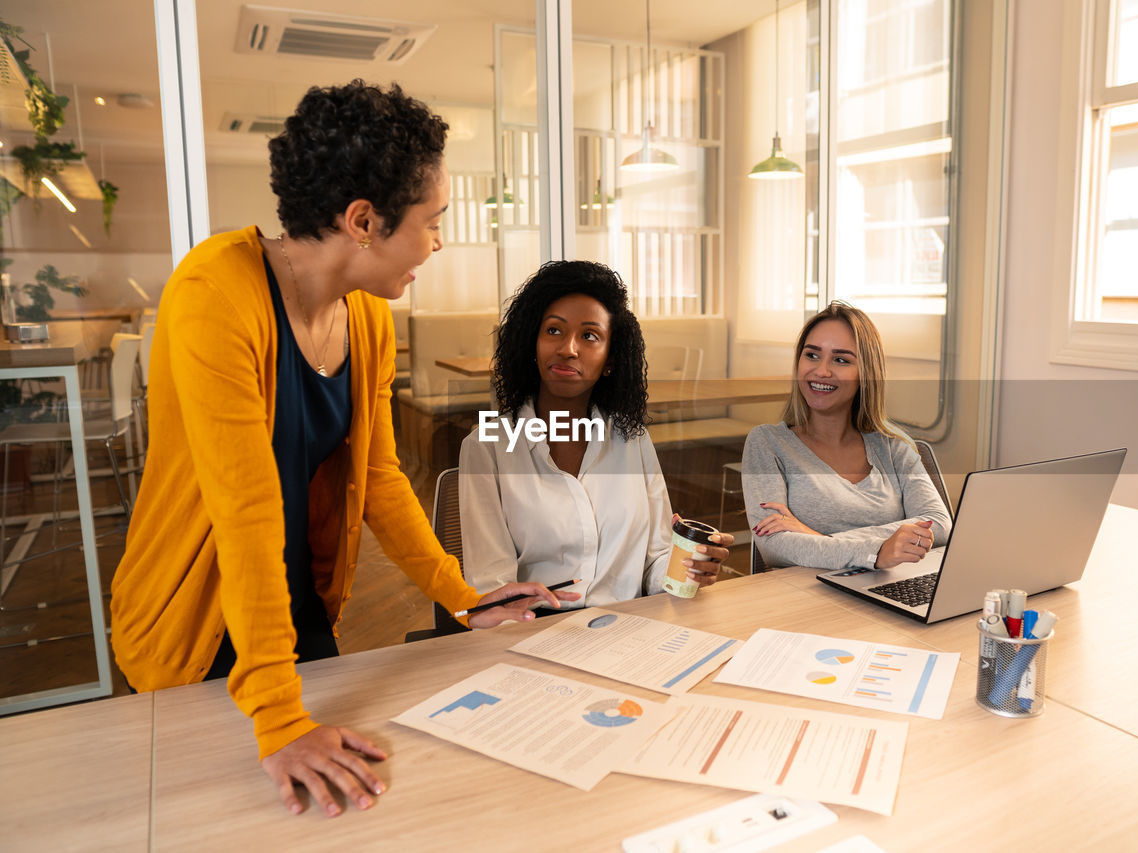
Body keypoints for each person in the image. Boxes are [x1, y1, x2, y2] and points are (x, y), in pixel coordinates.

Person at [109, 81, 576, 818]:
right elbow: (245, 505)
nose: (440, 240)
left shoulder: (366, 317)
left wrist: (462, 596)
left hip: (291, 609)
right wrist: (278, 715)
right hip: (193, 625)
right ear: (363, 221)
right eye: (433, 221)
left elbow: (380, 476)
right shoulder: (212, 294)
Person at [458, 260, 733, 606]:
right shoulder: (487, 448)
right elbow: (491, 587)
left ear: (610, 361)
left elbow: (656, 560)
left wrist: (690, 567)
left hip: (629, 628)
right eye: (554, 331)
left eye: (589, 336)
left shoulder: (632, 439)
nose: (568, 349)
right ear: (532, 344)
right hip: (534, 634)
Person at [741, 301, 951, 570]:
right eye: (812, 355)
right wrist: (877, 552)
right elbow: (775, 548)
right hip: (807, 598)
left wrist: (815, 537)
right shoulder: (767, 443)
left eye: (841, 360)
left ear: (866, 373)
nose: (822, 371)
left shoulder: (893, 447)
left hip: (885, 589)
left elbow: (940, 524)